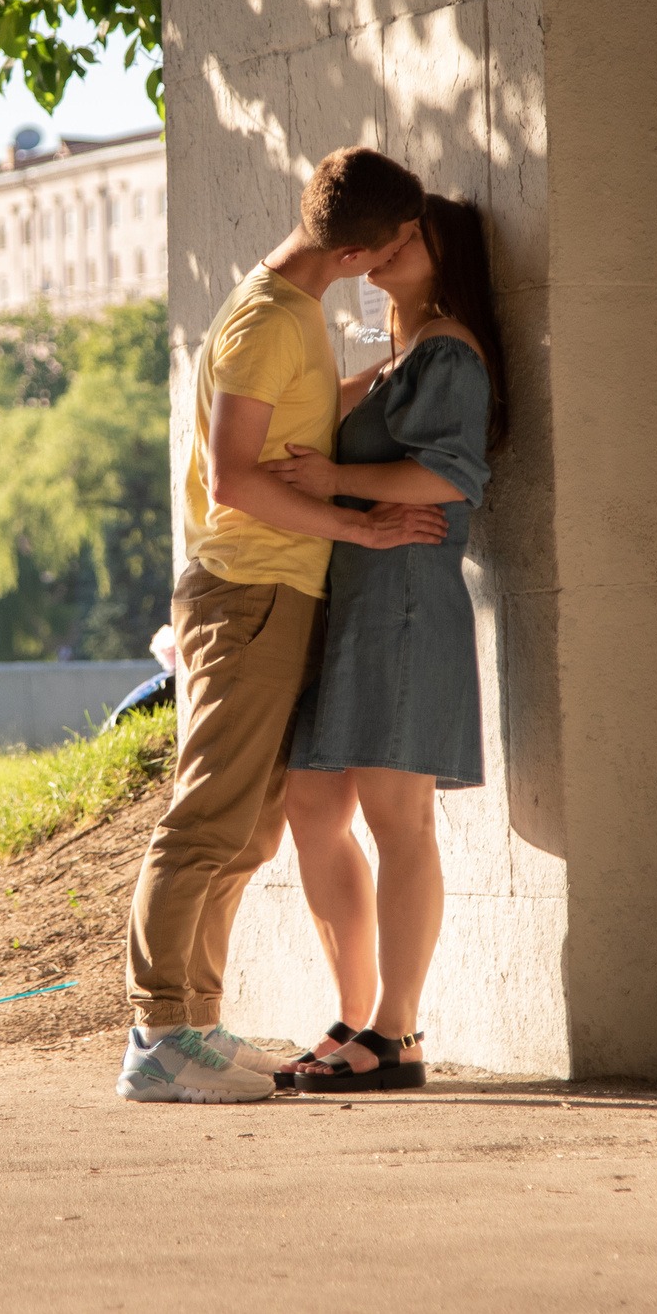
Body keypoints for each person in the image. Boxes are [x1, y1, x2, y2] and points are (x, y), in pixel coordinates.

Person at [116, 148, 452, 1105]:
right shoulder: (268, 322)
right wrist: (364, 523)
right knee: (205, 819)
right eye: (398, 243)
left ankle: (194, 1022)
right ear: (361, 249)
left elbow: (292, 426)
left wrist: (391, 372)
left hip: (276, 595)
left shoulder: (294, 309)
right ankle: (158, 1034)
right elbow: (236, 477)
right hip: (249, 592)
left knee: (248, 829)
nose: (399, 259)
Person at [263, 192, 509, 1093]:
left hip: (404, 594)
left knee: (397, 819)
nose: (394, 245)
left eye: (416, 234)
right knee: (313, 810)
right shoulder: (391, 348)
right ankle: (353, 1017)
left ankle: (397, 1035)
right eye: (390, 232)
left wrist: (335, 476)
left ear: (448, 253)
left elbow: (451, 475)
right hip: (354, 594)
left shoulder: (448, 345)